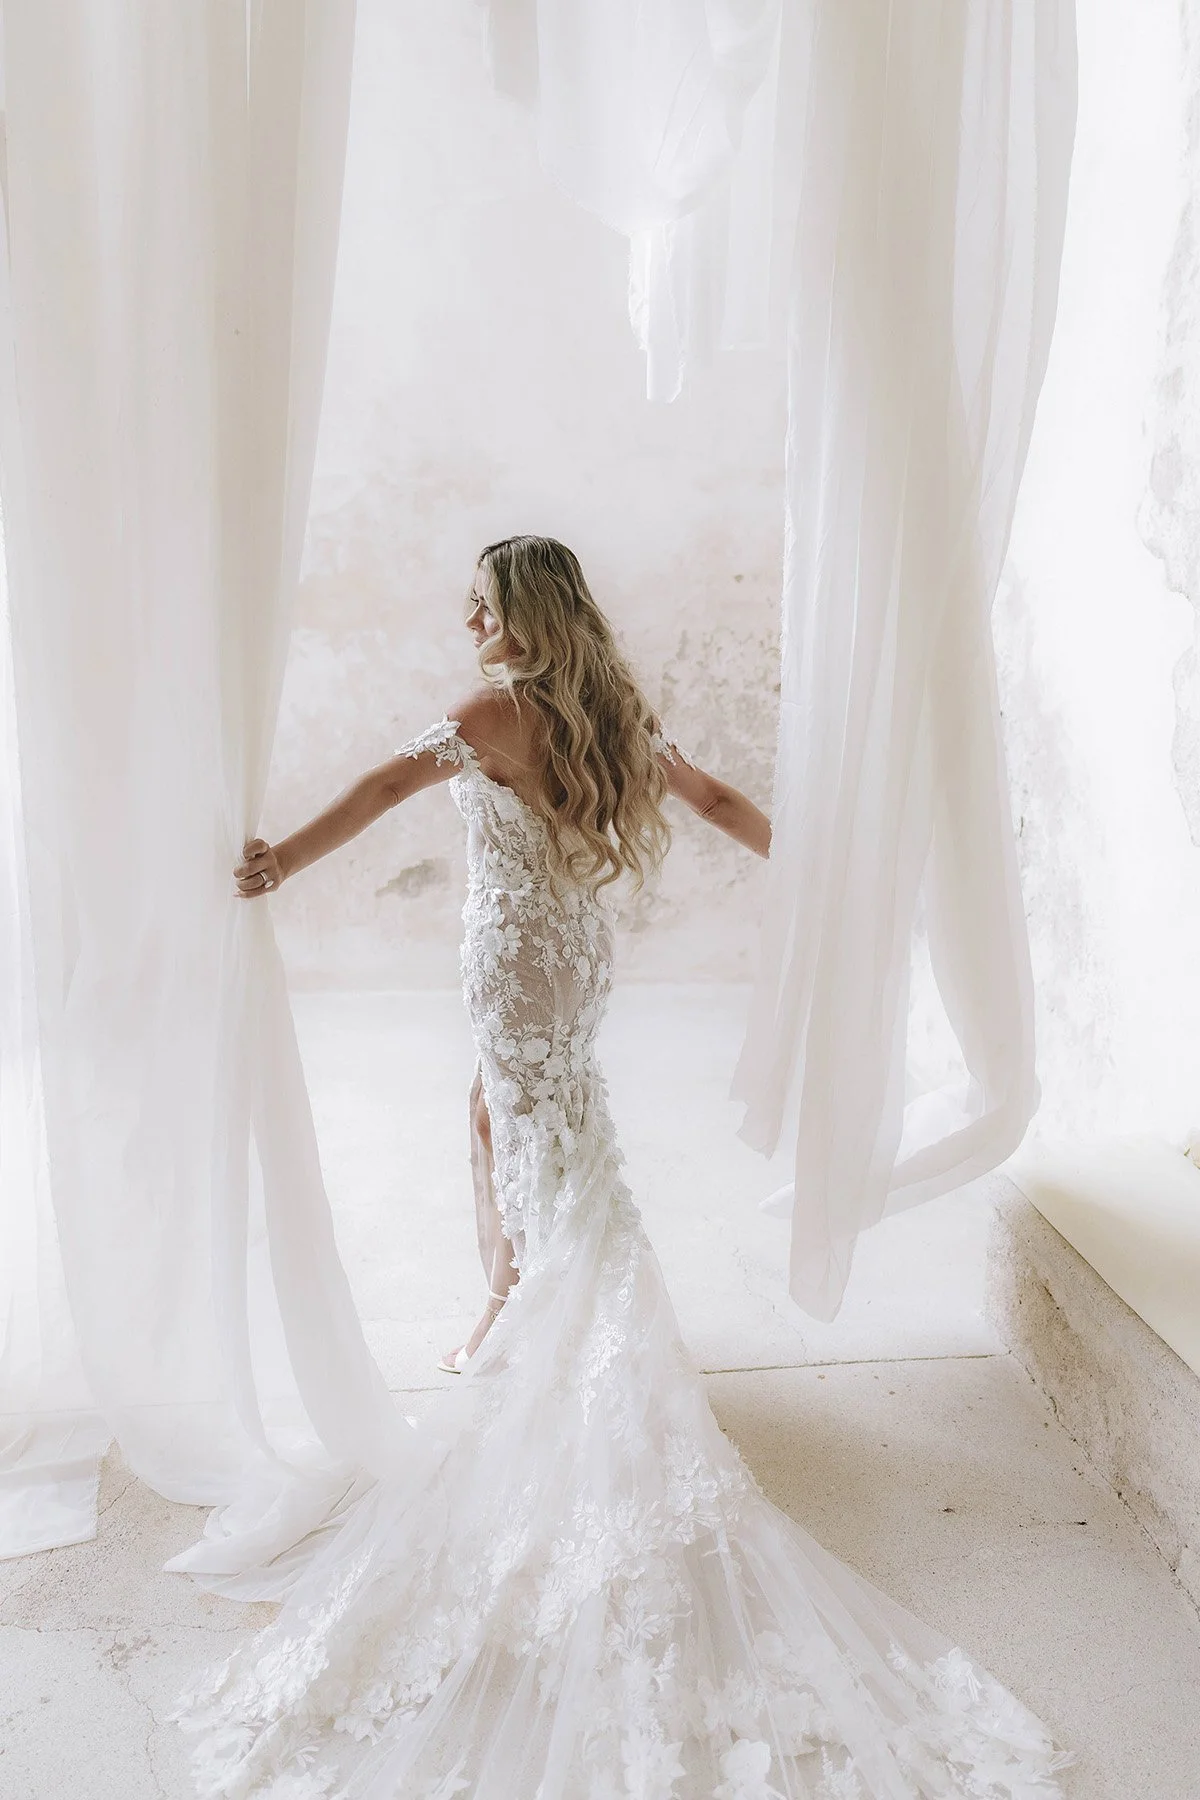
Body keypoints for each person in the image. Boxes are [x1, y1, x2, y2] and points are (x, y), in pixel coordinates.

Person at [177, 537, 1071, 1799]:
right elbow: (709, 806)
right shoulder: (606, 712)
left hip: (509, 960)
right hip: (573, 958)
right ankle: (511, 1288)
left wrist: (277, 862)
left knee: (522, 1124)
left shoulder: (484, 712)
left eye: (480, 606)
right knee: (516, 1118)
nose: (466, 620)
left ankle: (546, 1300)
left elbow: (382, 789)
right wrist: (823, 878)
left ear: (520, 616)